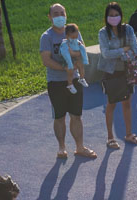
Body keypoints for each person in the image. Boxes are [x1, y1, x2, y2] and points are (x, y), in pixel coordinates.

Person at [40, 4, 97, 160]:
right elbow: (46, 60)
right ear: (50, 17)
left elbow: (82, 50)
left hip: (75, 80)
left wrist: (75, 63)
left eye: (62, 13)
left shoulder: (73, 32)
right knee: (59, 117)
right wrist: (65, 69)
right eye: (55, 14)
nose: (59, 16)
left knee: (76, 115)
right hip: (56, 82)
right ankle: (61, 148)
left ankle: (79, 147)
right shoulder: (47, 37)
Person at [98, 2, 137, 150]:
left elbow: (135, 49)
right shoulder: (103, 33)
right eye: (111, 15)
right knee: (111, 104)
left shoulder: (128, 29)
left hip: (126, 72)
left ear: (121, 16)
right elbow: (105, 54)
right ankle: (110, 137)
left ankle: (128, 134)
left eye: (116, 15)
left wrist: (118, 53)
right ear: (106, 17)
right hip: (111, 73)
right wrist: (124, 49)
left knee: (127, 103)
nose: (114, 17)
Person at [60, 24, 89, 94]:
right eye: (73, 37)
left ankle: (81, 78)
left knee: (81, 66)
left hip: (75, 59)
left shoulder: (77, 42)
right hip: (66, 60)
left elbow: (83, 49)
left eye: (76, 37)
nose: (75, 39)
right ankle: (70, 84)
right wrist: (70, 64)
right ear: (67, 36)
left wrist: (85, 59)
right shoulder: (65, 44)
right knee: (70, 71)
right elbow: (66, 55)